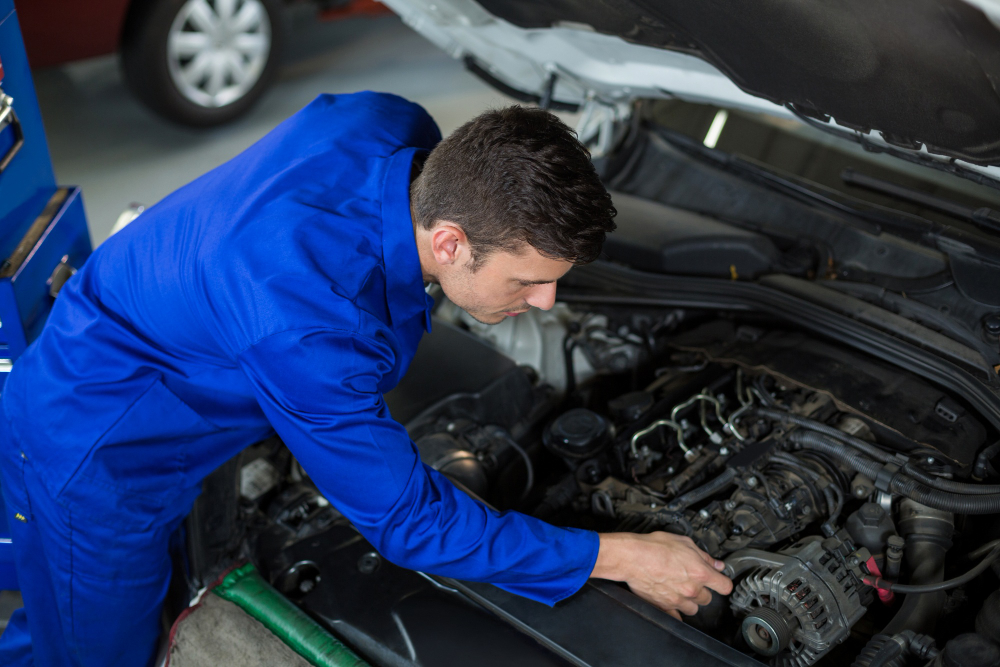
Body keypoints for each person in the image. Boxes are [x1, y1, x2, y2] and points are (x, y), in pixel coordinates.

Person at [0, 92, 732, 666]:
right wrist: (621, 555)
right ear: (450, 242)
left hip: (146, 355)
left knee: (53, 614)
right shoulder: (308, 323)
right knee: (93, 652)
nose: (547, 301)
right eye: (528, 280)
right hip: (97, 456)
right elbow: (411, 523)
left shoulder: (391, 124)